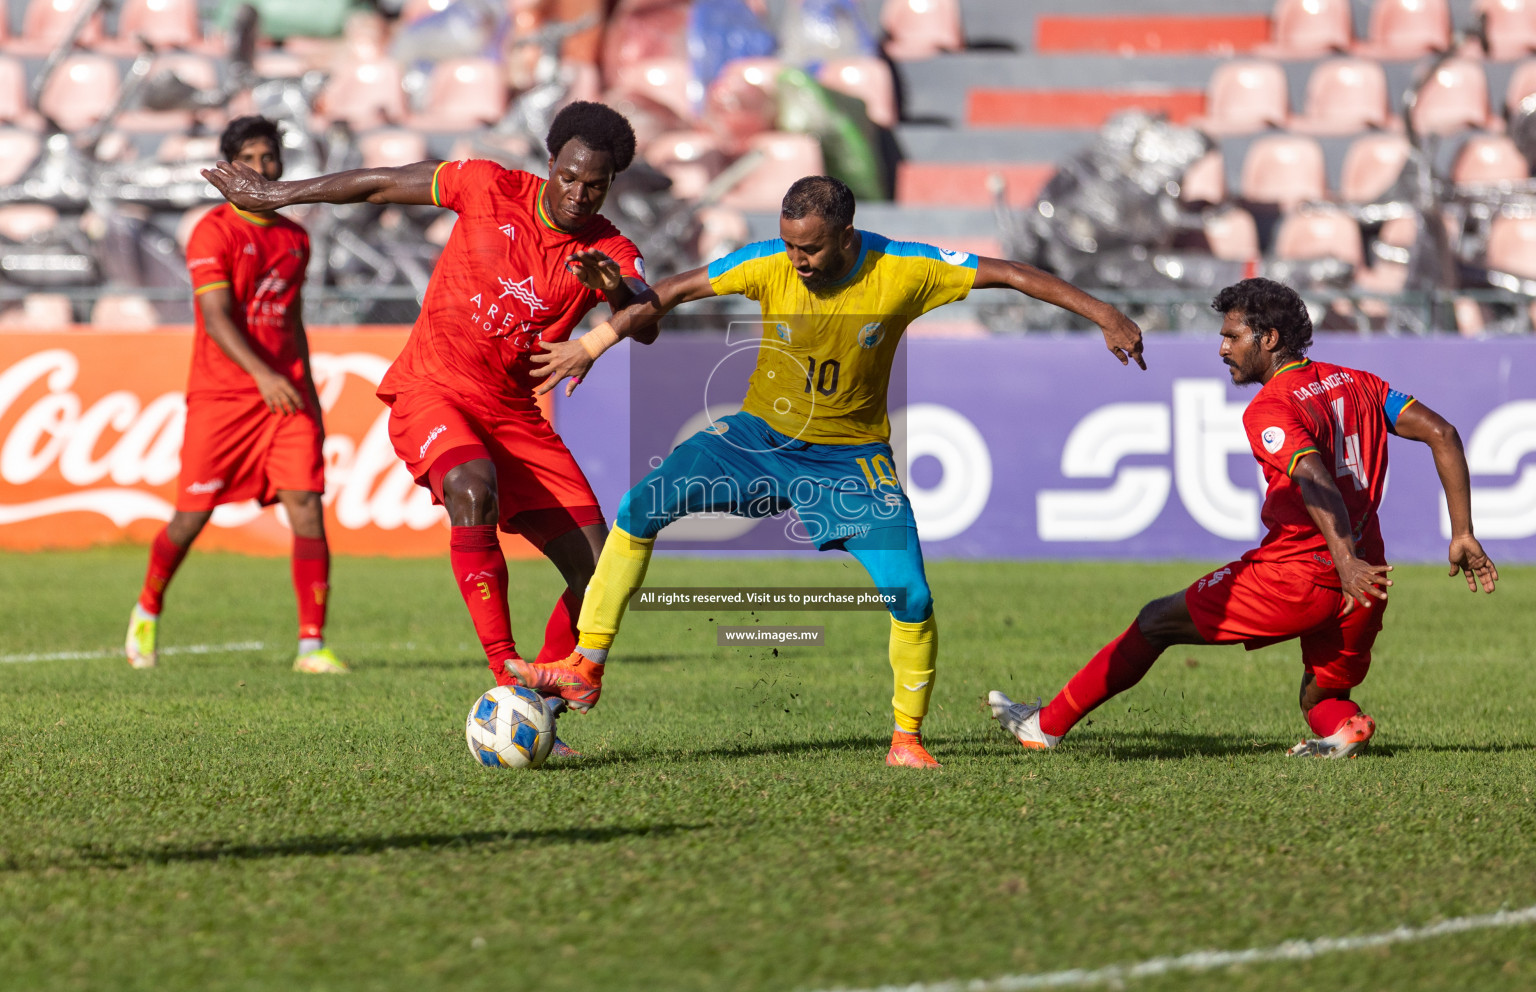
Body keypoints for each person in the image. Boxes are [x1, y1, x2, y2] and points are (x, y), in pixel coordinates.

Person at [528, 175, 1147, 767]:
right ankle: (587, 665)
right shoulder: (766, 261)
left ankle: (906, 739)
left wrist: (1104, 314)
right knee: (641, 506)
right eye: (789, 243)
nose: (795, 258)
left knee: (911, 594)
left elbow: (1011, 273)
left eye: (810, 247)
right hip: (757, 438)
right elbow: (672, 292)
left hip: (849, 461)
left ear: (847, 235)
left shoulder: (904, 268)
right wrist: (594, 340)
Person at [200, 103, 650, 734]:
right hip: (434, 389)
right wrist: (277, 193)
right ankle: (505, 675)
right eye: (569, 175)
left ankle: (540, 706)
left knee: (598, 573)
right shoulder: (489, 186)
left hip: (516, 415)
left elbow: (648, 316)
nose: (578, 193)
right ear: (550, 162)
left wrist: (619, 294)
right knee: (472, 487)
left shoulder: (607, 248)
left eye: (594, 183)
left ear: (611, 183)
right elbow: (379, 181)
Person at [988, 277, 1499, 759]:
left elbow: (1317, 480)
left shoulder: (1270, 408)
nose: (1222, 348)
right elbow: (1444, 433)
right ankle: (1346, 728)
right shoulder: (1358, 383)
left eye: (1232, 336)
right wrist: (1462, 533)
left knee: (1154, 622)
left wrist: (1340, 562)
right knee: (1322, 697)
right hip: (1368, 576)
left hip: (1303, 574)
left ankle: (1044, 726)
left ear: (1269, 338)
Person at [126, 116, 345, 674]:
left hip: (286, 398)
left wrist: (307, 394)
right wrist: (262, 376)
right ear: (228, 168)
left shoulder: (296, 237)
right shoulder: (212, 230)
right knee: (190, 518)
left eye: (269, 156)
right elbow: (217, 319)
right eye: (247, 158)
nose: (262, 168)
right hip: (223, 397)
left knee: (306, 507)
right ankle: (148, 607)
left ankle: (311, 645)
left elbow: (292, 325)